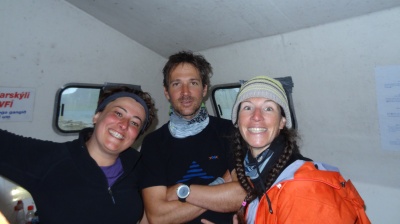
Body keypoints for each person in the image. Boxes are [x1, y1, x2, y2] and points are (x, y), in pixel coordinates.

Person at [0, 86, 156, 224]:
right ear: (97, 116)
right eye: (118, 113)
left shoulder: (138, 166)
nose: (124, 125)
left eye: (135, 123)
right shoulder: (51, 160)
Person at [230, 75, 371, 223]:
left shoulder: (303, 191)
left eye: (268, 108)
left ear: (282, 122)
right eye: (247, 107)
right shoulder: (257, 175)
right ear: (237, 121)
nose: (256, 116)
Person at [139, 50, 245, 224]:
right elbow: (158, 217)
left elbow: (240, 195)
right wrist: (220, 184)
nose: (185, 92)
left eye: (193, 83)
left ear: (204, 89)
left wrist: (182, 191)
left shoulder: (229, 131)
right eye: (176, 84)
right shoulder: (153, 143)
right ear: (166, 92)